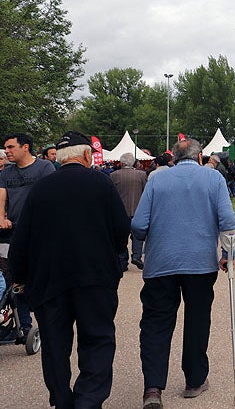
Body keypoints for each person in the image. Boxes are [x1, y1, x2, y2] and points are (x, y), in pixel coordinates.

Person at [8, 131, 130, 409]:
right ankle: (88, 399)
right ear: (87, 155)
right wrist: (113, 260)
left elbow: (22, 239)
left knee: (54, 345)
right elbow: (121, 231)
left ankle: (63, 399)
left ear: (59, 158)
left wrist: (19, 277)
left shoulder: (42, 188)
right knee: (98, 339)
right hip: (95, 278)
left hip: (50, 281)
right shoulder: (102, 184)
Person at [131, 137, 235, 408]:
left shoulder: (156, 178)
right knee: (197, 320)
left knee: (156, 323)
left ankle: (153, 388)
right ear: (199, 156)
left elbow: (140, 225)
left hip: (160, 264)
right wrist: (227, 255)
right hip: (200, 264)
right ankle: (194, 380)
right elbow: (228, 221)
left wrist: (146, 242)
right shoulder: (213, 179)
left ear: (174, 158)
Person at [0, 132, 56, 338]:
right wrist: (1, 218)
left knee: (41, 279)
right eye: (5, 148)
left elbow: (50, 197)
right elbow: (1, 196)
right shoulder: (6, 172)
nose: (7, 151)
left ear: (25, 147)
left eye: (10, 147)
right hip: (13, 232)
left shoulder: (44, 168)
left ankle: (49, 322)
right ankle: (24, 326)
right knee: (16, 280)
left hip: (39, 232)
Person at [110, 152, 148, 271]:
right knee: (137, 234)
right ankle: (136, 256)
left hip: (120, 210)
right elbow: (145, 192)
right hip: (138, 209)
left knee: (121, 236)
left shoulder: (114, 175)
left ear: (121, 163)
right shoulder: (141, 175)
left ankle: (122, 259)